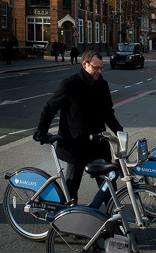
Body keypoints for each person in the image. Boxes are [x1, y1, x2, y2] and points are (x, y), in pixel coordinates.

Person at [33, 50, 123, 202]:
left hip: (98, 142)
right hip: (75, 144)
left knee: (108, 185)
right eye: (96, 68)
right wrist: (41, 129)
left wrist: (119, 131)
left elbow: (108, 112)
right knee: (72, 186)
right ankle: (67, 216)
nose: (99, 71)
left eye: (101, 68)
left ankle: (114, 215)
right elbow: (50, 108)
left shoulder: (102, 84)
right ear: (84, 64)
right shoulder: (69, 85)